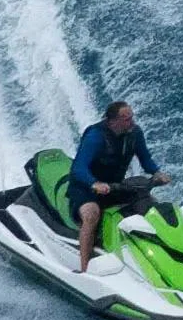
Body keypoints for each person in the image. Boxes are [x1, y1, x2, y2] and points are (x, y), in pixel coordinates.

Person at [66, 100, 164, 274]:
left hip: (114, 187)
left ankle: (163, 254)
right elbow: (78, 167)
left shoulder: (135, 133)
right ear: (113, 121)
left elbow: (145, 159)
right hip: (86, 188)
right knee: (91, 214)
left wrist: (156, 173)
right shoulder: (96, 136)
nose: (132, 122)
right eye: (127, 119)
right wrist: (94, 183)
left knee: (150, 204)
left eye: (132, 117)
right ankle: (85, 268)